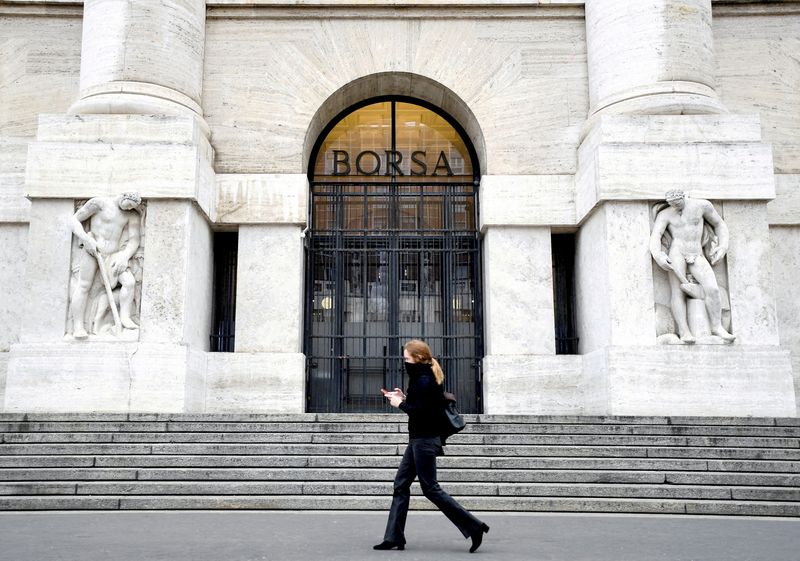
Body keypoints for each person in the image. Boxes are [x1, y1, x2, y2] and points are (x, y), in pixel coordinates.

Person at [373, 339, 490, 553]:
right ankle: (394, 536)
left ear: (417, 358)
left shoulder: (425, 379)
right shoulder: (422, 376)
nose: (405, 362)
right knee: (401, 485)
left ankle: (474, 527)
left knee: (431, 488)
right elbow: (423, 405)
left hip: (424, 440)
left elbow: (422, 412)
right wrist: (403, 397)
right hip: (418, 439)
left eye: (407, 359)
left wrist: (400, 404)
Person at [649, 189, 735, 343]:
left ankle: (717, 327)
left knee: (713, 289)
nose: (676, 207)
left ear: (684, 197)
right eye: (672, 205)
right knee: (677, 292)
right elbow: (656, 235)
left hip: (697, 253)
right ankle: (684, 331)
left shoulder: (702, 206)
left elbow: (719, 224)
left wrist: (723, 245)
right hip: (677, 252)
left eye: (678, 204)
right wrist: (659, 255)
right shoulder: (666, 214)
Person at [69, 192, 143, 338]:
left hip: (114, 255)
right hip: (93, 250)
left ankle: (125, 318)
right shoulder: (99, 204)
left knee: (129, 282)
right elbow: (74, 220)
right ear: (124, 196)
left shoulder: (131, 215)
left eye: (132, 207)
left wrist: (125, 257)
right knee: (84, 286)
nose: (129, 208)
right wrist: (85, 239)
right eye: (128, 204)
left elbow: (134, 239)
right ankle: (78, 327)